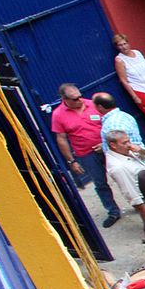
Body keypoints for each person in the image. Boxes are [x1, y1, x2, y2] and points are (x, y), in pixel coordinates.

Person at [51, 83, 121, 227]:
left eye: (80, 97)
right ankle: (113, 211)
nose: (79, 100)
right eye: (74, 99)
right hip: (86, 154)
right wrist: (71, 161)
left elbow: (112, 124)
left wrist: (106, 144)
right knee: (100, 183)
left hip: (108, 149)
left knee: (122, 175)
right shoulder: (58, 115)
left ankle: (138, 202)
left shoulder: (93, 105)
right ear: (64, 99)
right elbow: (61, 139)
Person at [103, 130, 145, 260]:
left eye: (128, 141)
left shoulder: (127, 151)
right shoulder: (118, 166)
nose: (129, 144)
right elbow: (128, 189)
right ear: (113, 145)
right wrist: (142, 207)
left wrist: (139, 150)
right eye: (125, 142)